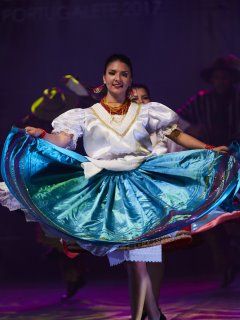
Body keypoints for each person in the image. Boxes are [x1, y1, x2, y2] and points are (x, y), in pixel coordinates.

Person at [1, 54, 240, 320]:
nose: (118, 78)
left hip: (141, 186)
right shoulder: (85, 115)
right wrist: (45, 135)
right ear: (104, 79)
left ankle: (144, 315)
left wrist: (208, 148)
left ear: (130, 80)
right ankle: (152, 313)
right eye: (113, 73)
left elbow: (175, 134)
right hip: (106, 190)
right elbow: (64, 138)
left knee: (141, 257)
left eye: (124, 74)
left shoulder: (146, 111)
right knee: (134, 260)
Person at [177, 54, 240, 287]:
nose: (220, 81)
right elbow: (178, 121)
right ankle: (223, 262)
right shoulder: (202, 100)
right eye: (217, 77)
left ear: (232, 79)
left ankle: (231, 251)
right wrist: (193, 130)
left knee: (234, 212)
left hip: (237, 160)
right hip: (211, 162)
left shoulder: (237, 99)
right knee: (207, 211)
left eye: (225, 77)